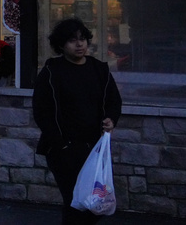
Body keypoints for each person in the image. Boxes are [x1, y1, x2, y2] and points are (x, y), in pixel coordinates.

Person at [33, 18, 122, 225]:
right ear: (62, 45)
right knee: (76, 203)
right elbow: (42, 112)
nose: (79, 44)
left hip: (94, 148)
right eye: (72, 40)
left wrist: (110, 119)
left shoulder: (99, 69)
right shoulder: (52, 72)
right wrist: (61, 145)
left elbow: (113, 101)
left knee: (97, 204)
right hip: (64, 149)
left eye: (82, 39)